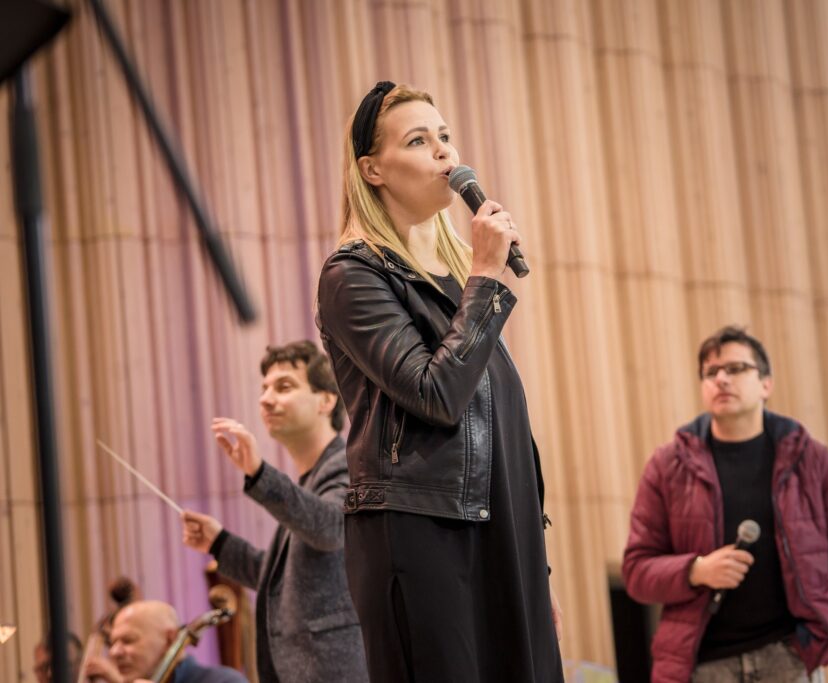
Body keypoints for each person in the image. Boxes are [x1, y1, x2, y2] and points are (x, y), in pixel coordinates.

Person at [315, 80, 562, 682]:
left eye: (445, 136)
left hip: (500, 531)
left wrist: (534, 565)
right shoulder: (353, 276)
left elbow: (497, 421)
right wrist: (486, 275)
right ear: (372, 170)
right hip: (425, 535)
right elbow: (435, 395)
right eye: (419, 140)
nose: (444, 152)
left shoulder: (458, 281)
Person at [622, 326, 828, 682]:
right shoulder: (667, 466)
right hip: (703, 668)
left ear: (766, 384)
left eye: (736, 368)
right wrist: (696, 570)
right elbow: (636, 571)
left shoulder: (809, 458)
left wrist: (824, 638)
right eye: (711, 372)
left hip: (787, 659)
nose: (721, 379)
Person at [180, 341, 368, 682]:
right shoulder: (311, 481)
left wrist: (259, 473)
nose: (265, 399)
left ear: (326, 400)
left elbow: (332, 529)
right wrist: (219, 543)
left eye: (284, 387)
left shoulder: (346, 466)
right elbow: (282, 582)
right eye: (264, 388)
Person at [78, 600, 245, 683]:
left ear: (170, 639)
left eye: (128, 641)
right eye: (112, 643)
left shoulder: (224, 681)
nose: (114, 652)